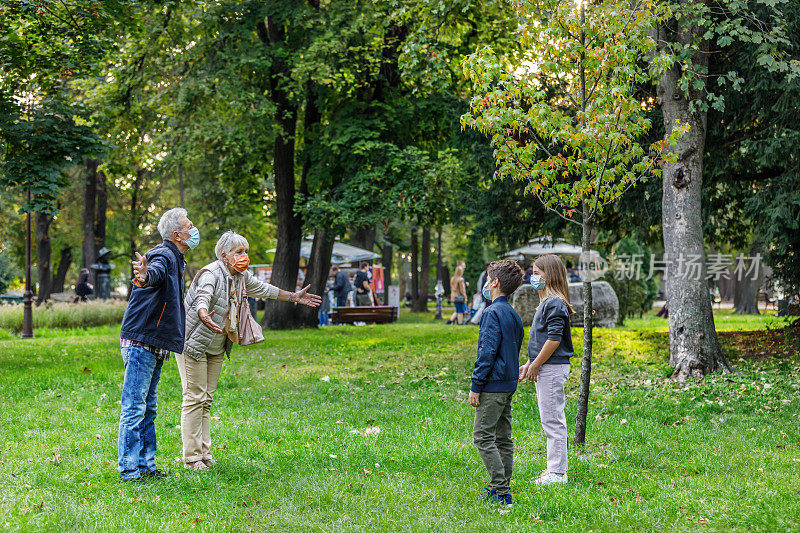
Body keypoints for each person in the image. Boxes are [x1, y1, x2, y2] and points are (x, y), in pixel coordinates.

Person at [180, 231, 321, 471]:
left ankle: (204, 454)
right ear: (225, 256)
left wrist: (294, 297)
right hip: (193, 343)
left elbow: (265, 289)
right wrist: (203, 313)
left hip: (216, 345)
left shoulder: (240, 276)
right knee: (195, 398)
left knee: (206, 400)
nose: (244, 256)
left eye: (246, 251)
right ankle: (191, 459)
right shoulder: (211, 273)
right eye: (239, 252)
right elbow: (203, 296)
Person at [117, 207, 198, 482]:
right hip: (141, 341)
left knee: (148, 408)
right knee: (134, 407)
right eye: (190, 225)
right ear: (177, 234)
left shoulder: (177, 258)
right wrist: (144, 275)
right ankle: (129, 470)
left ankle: (146, 466)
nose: (193, 229)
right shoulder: (164, 255)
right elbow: (153, 272)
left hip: (153, 342)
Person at [468, 259, 525, 507]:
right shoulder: (513, 314)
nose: (486, 283)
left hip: (492, 385)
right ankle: (499, 486)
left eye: (488, 278)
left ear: (496, 282)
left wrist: (475, 385)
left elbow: (487, 353)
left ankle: (501, 492)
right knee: (503, 438)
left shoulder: (491, 313)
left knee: (482, 436)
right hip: (508, 383)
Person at [518, 254, 575, 486]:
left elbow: (553, 340)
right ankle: (554, 469)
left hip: (551, 369)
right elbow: (544, 340)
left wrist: (537, 364)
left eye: (537, 273)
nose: (533, 277)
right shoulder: (547, 303)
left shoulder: (554, 303)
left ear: (549, 275)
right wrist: (530, 362)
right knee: (549, 419)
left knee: (553, 420)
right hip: (546, 367)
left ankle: (557, 473)